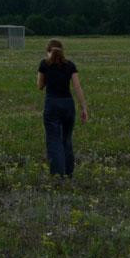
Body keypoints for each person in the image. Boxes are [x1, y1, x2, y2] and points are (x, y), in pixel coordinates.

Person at [37, 38, 88, 178]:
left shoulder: (44, 64)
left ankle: (58, 175)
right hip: (68, 104)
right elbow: (77, 87)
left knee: (54, 140)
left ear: (48, 51)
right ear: (63, 51)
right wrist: (84, 107)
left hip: (52, 104)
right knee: (66, 139)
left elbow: (40, 86)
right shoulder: (70, 65)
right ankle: (69, 172)